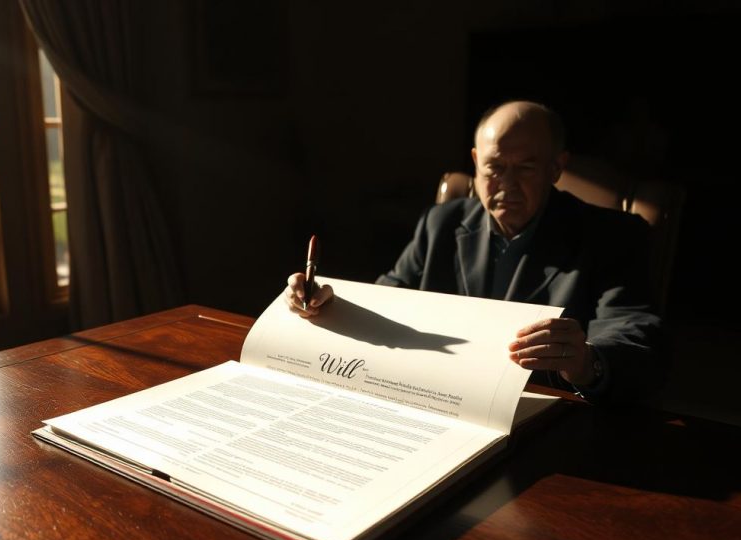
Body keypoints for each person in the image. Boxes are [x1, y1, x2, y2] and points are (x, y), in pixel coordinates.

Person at [285, 100, 665, 403]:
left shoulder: (613, 235)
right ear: (474, 163)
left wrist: (587, 362)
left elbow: (632, 333)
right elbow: (391, 296)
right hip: (438, 399)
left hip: (543, 408)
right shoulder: (442, 223)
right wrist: (330, 304)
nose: (507, 185)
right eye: (494, 167)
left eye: (526, 168)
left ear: (556, 167)